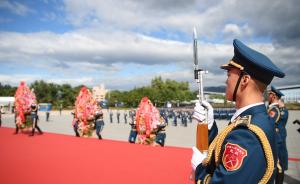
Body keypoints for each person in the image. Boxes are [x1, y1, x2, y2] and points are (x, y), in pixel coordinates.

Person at [191, 39, 285, 183]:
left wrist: (199, 169)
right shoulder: (257, 119)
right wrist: (210, 126)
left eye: (229, 75)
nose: (226, 81)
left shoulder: (247, 134)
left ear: (245, 80)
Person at [268, 86, 289, 184]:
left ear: (273, 96)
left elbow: (269, 123)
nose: (268, 96)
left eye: (269, 94)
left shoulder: (274, 109)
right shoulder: (280, 108)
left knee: (278, 165)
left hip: (277, 140)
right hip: (279, 138)